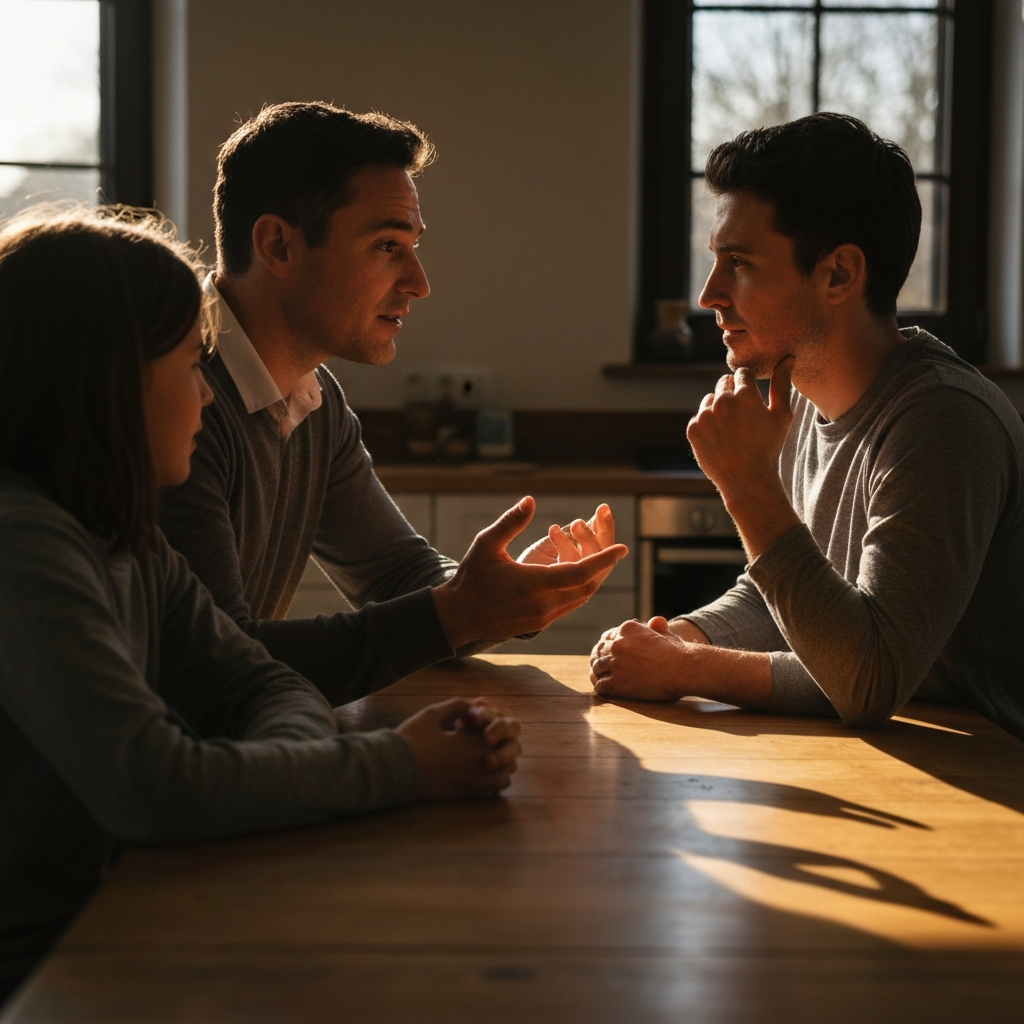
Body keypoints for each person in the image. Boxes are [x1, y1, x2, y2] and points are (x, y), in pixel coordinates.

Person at [0, 208, 522, 1004]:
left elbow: (263, 684)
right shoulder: (24, 547)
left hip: (109, 919)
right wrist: (402, 765)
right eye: (185, 366)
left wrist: (301, 764)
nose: (205, 398)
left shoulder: (126, 538)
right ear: (107, 384)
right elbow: (156, 788)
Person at [158, 102, 625, 706]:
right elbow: (215, 668)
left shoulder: (313, 401)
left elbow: (396, 576)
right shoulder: (171, 401)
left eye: (412, 245)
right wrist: (461, 612)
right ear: (277, 245)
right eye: (386, 245)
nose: (419, 281)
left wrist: (501, 594)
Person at [590, 112, 1024, 742]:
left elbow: (869, 676)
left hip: (990, 768)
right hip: (900, 747)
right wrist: (681, 636)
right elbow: (785, 599)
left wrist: (746, 487)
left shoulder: (944, 420)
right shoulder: (798, 401)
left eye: (738, 263)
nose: (709, 294)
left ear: (840, 274)